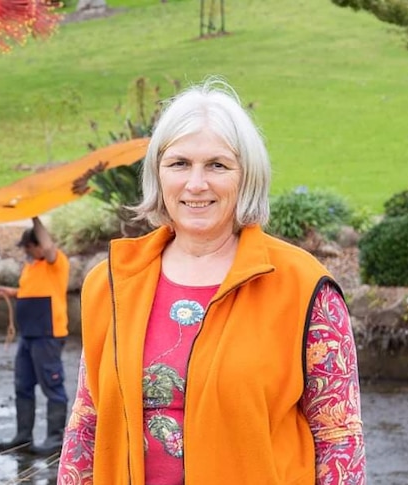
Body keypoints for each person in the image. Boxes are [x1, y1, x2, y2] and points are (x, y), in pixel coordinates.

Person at [57, 78, 366, 484]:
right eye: (179, 163)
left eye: (217, 165)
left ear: (246, 176)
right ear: (158, 174)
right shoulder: (112, 284)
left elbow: (338, 437)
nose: (196, 184)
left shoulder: (305, 288)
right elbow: (86, 423)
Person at [0, 217, 70, 456]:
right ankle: (23, 437)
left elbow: (48, 246)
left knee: (52, 385)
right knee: (22, 386)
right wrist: (12, 292)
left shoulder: (55, 262)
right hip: (28, 335)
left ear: (37, 246)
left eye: (28, 247)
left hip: (48, 334)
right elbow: (32, 290)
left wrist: (34, 215)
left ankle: (55, 440)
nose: (26, 252)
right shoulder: (31, 266)